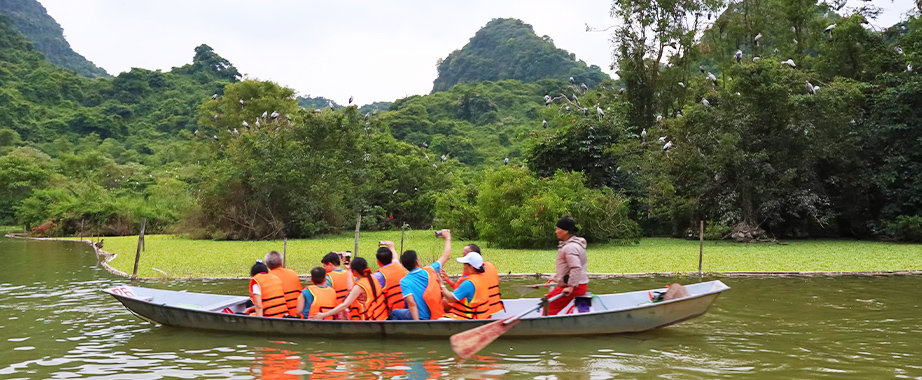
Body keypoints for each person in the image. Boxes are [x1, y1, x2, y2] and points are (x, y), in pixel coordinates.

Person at [390, 229, 453, 320]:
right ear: (418, 262)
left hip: (422, 318)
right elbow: (445, 256)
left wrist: (418, 324)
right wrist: (448, 239)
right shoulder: (430, 270)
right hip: (436, 314)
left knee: (395, 312)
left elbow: (412, 304)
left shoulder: (404, 281)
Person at [440, 243, 504, 315]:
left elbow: (453, 297)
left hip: (473, 311)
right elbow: (464, 290)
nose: (463, 256)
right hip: (489, 308)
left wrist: (441, 285)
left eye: (466, 255)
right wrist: (449, 281)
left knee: (439, 303)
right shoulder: (483, 272)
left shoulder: (470, 279)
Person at [312, 257, 383, 320]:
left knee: (343, 311)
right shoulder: (372, 277)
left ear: (355, 271)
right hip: (379, 314)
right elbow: (350, 288)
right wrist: (349, 269)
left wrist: (324, 315)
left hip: (367, 318)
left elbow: (345, 305)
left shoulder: (359, 287)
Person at [547, 216, 588, 315]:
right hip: (579, 285)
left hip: (574, 287)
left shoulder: (570, 247)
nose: (556, 232)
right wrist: (558, 279)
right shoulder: (572, 245)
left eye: (557, 229)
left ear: (565, 231)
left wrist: (571, 287)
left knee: (547, 304)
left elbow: (576, 267)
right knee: (548, 297)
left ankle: (545, 327)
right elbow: (569, 268)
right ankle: (582, 316)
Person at [440, 252, 491, 319]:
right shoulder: (481, 277)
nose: (463, 267)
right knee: (443, 303)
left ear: (471, 268)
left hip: (469, 317)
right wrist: (448, 281)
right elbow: (459, 292)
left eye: (464, 264)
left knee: (439, 319)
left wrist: (441, 284)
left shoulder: (469, 283)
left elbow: (450, 299)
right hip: (481, 315)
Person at [370, 241, 406, 318]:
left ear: (378, 261)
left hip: (392, 312)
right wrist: (392, 247)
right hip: (405, 305)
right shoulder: (399, 266)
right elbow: (396, 257)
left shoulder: (379, 276)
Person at [265, 250, 303, 318]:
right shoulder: (292, 273)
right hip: (298, 314)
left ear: (268, 266)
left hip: (279, 315)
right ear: (281, 263)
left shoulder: (267, 277)